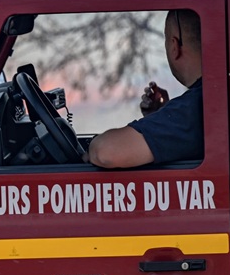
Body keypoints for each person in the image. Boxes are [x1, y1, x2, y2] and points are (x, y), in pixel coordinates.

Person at [87, 9, 203, 168]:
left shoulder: (197, 106)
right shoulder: (216, 98)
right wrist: (161, 116)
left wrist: (90, 146)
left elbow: (106, 153)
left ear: (174, 46)